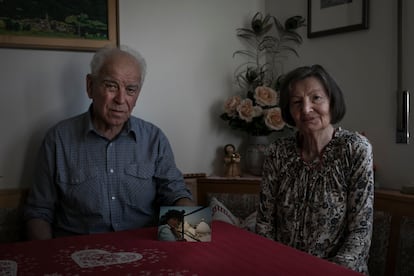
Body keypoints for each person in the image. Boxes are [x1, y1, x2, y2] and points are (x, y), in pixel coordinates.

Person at [24, 45, 194, 240]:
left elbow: (175, 195)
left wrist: (194, 233)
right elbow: (38, 212)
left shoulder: (154, 139)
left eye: (130, 89)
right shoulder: (58, 140)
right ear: (90, 86)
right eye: (111, 86)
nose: (121, 99)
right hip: (79, 254)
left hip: (144, 249)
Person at [255, 64, 374, 274]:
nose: (306, 109)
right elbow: (265, 223)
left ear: (331, 100)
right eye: (296, 102)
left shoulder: (355, 148)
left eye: (316, 98)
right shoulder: (277, 152)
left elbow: (360, 232)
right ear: (289, 111)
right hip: (281, 268)